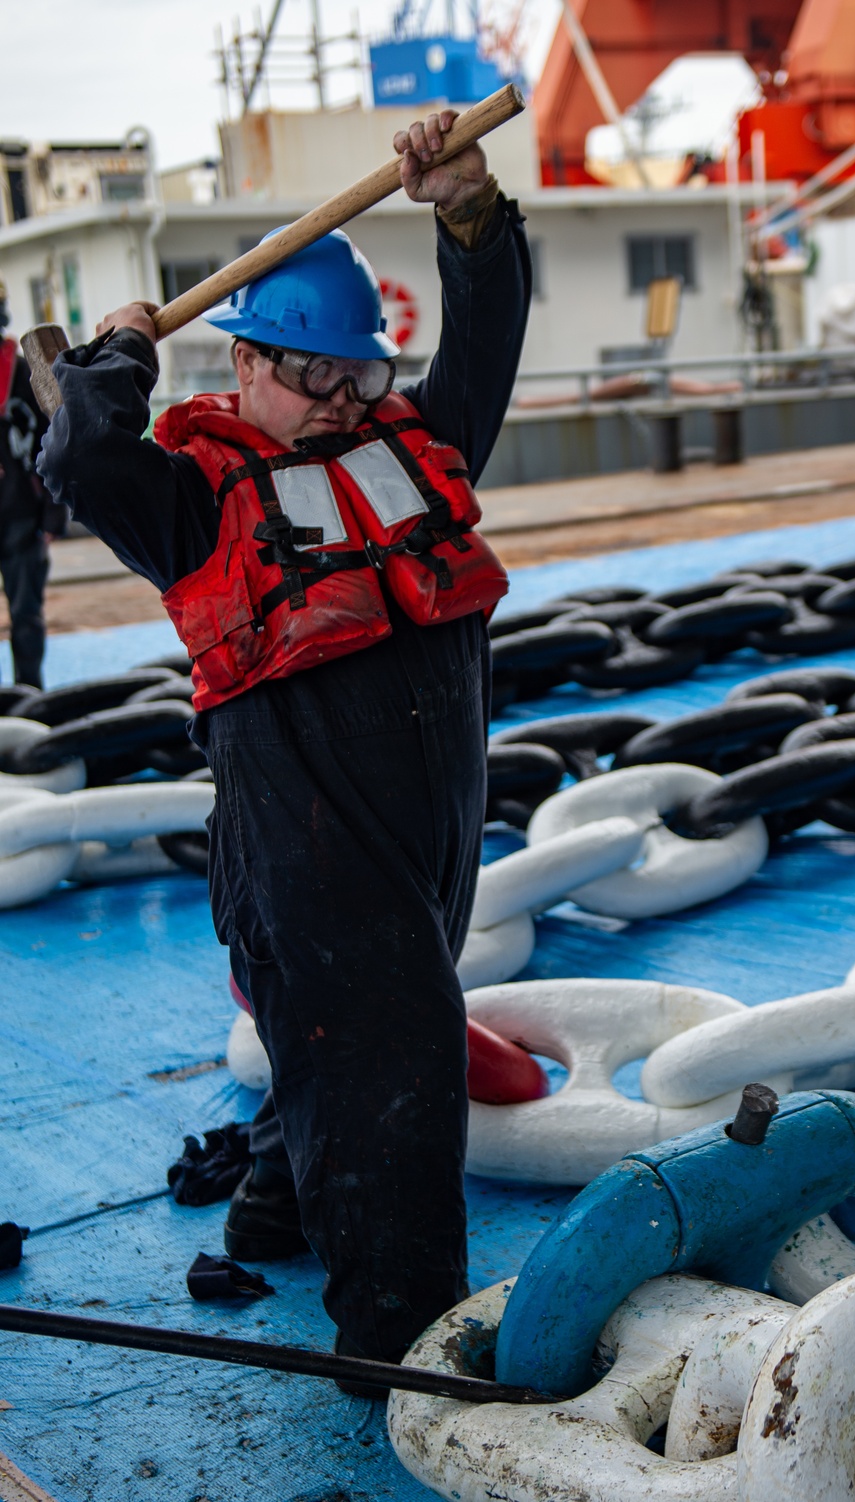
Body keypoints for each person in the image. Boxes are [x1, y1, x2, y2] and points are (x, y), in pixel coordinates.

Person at [39, 110, 531, 1394]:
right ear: (246, 364)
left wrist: (470, 215)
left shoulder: (413, 448)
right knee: (387, 1069)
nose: (337, 408)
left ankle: (275, 1205)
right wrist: (118, 352)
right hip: (303, 853)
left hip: (424, 835)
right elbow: (82, 454)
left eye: (356, 379)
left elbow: (486, 333)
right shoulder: (191, 501)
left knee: (343, 1052)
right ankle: (404, 1352)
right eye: (311, 379)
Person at [0, 279, 68, 687]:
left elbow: (58, 434)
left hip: (23, 515)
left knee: (26, 614)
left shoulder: (28, 369)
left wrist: (53, 514)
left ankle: (28, 695)